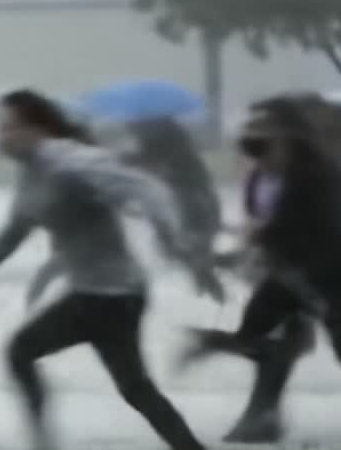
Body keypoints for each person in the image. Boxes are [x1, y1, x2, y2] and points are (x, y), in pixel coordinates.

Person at [0, 89, 222, 450]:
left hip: (112, 294)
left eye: (9, 127)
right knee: (135, 388)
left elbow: (147, 190)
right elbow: (5, 244)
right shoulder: (31, 177)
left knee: (21, 352)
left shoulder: (71, 161)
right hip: (103, 292)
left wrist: (180, 250)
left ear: (38, 129)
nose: (1, 135)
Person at [178, 97, 341, 450]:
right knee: (256, 337)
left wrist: (264, 243)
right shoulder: (262, 176)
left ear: (289, 136)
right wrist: (234, 254)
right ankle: (258, 417)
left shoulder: (320, 176)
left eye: (265, 132)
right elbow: (263, 228)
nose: (254, 140)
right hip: (288, 277)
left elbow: (326, 233)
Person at [25, 116, 226, 307]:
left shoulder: (166, 151)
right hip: (170, 206)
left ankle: (210, 275)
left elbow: (144, 175)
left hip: (182, 204)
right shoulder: (165, 148)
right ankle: (208, 275)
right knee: (176, 248)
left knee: (176, 247)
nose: (130, 131)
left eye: (133, 128)